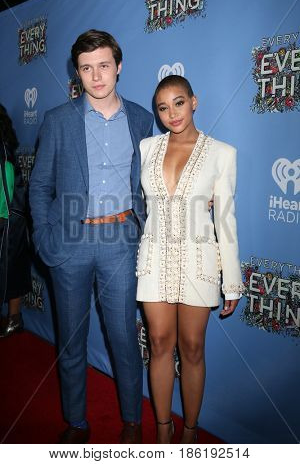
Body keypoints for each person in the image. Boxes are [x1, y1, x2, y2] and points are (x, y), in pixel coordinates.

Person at [29, 30, 153, 444]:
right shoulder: (57, 119)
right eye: (86, 68)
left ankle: (132, 419)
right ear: (77, 72)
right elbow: (39, 185)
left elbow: (148, 181)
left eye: (103, 65)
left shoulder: (141, 118)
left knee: (123, 337)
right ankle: (76, 422)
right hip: (70, 241)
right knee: (71, 341)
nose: (96, 76)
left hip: (121, 239)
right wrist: (46, 240)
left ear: (118, 66)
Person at [136, 75, 244, 444]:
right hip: (154, 258)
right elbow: (138, 203)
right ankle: (164, 431)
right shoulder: (147, 148)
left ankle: (190, 431)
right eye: (163, 108)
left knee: (193, 347)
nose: (172, 113)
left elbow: (225, 218)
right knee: (160, 343)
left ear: (194, 102)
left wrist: (232, 278)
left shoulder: (221, 153)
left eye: (179, 103)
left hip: (200, 259)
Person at [0, 104, 31, 338]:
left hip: (10, 219)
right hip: (10, 218)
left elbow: (7, 187)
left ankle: (14, 320)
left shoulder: (3, 149)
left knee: (12, 270)